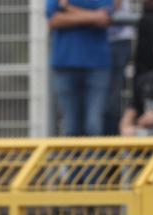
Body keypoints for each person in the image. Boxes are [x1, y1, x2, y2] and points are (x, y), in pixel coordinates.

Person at [46, 0, 113, 136]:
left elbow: (104, 19)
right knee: (70, 124)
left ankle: (94, 157)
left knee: (94, 123)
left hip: (97, 65)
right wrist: (92, 16)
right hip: (65, 65)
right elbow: (54, 20)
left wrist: (68, 8)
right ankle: (73, 157)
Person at [104, 0, 138, 135]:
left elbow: (111, 8)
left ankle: (111, 145)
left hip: (117, 40)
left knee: (111, 101)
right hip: (88, 43)